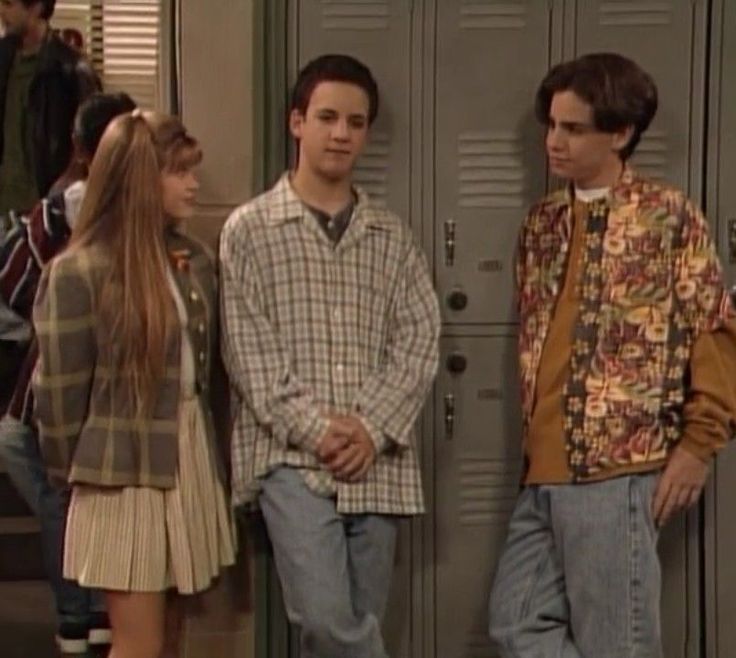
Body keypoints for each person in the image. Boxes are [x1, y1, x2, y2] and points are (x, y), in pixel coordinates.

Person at [488, 52, 736, 658]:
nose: (554, 141)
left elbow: (714, 329)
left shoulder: (668, 216)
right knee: (516, 623)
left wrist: (699, 445)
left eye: (572, 129)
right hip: (542, 471)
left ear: (620, 133)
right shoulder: (542, 223)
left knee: (615, 643)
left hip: (618, 469)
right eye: (551, 125)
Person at [220, 53, 440, 657]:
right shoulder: (250, 230)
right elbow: (249, 353)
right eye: (327, 117)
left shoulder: (392, 236)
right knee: (324, 620)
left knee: (356, 626)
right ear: (297, 123)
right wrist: (320, 432)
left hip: (379, 465)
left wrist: (369, 430)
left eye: (355, 121)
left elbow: (419, 340)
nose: (341, 133)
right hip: (291, 460)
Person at [33, 110, 236, 658]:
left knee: (171, 637)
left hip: (187, 452)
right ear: (139, 177)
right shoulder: (81, 270)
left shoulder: (192, 259)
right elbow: (58, 394)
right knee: (138, 645)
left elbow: (211, 374)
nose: (194, 184)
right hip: (120, 473)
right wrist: (72, 474)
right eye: (178, 172)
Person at [0, 91, 135, 655]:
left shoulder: (65, 212)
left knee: (57, 486)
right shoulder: (127, 214)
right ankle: (90, 609)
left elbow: (10, 284)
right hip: (87, 400)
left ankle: (80, 612)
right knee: (68, 490)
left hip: (70, 399)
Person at [0, 0, 98, 409]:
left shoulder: (68, 69)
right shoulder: (2, 57)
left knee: (35, 320)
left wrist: (57, 198)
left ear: (36, 7)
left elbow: (90, 142)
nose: (1, 11)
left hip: (42, 212)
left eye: (8, 3)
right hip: (1, 206)